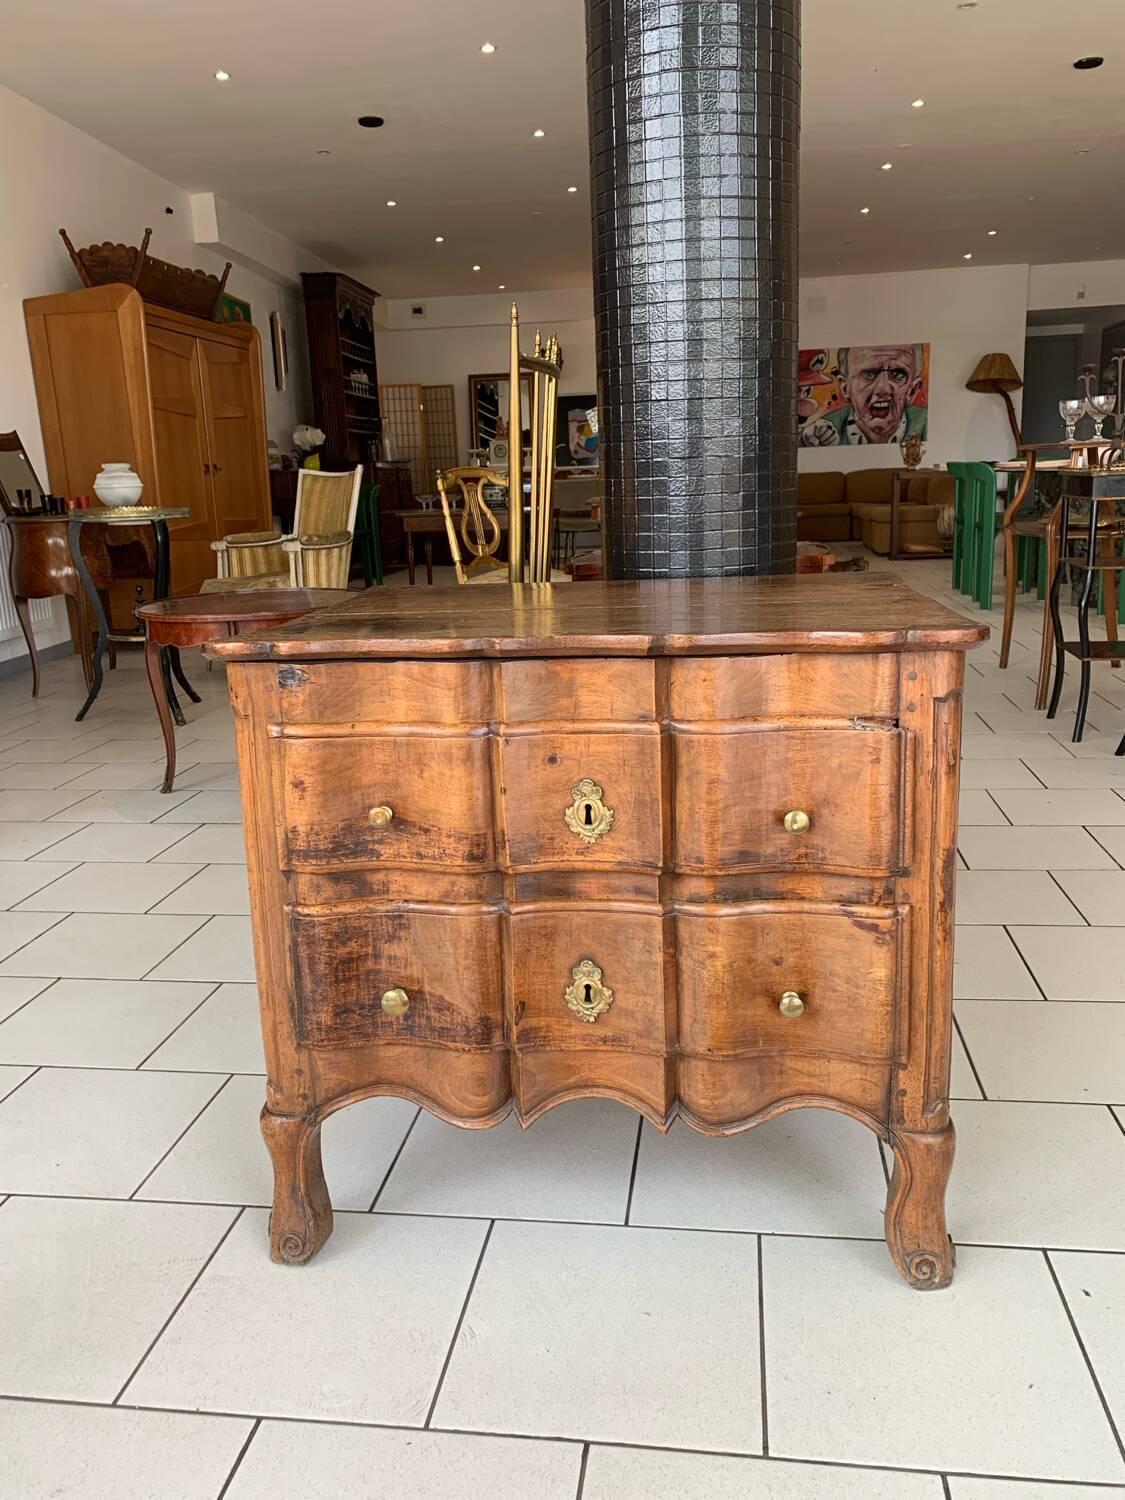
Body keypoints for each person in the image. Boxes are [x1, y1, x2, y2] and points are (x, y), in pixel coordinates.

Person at [799, 344, 926, 446]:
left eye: (897, 375)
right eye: (869, 374)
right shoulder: (821, 432)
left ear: (913, 390)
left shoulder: (928, 426)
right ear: (845, 387)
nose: (882, 389)